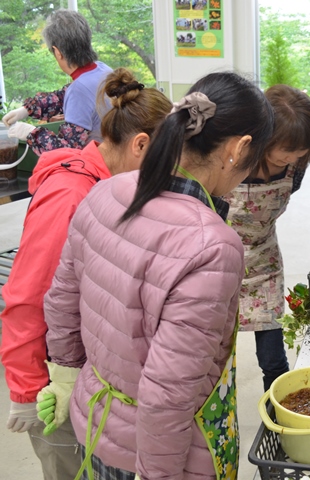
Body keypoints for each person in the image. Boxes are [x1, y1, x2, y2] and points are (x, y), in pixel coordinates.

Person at [40, 71, 274, 480]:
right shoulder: (212, 247)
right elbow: (168, 393)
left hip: (94, 422)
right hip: (158, 457)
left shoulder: (108, 189)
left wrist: (64, 375)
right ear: (239, 149)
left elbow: (61, 302)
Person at [0, 68, 171, 480]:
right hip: (51, 383)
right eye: (168, 162)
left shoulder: (111, 188)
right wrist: (27, 389)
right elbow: (27, 297)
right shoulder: (71, 196)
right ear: (140, 145)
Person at [223, 84, 310, 391]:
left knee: (274, 360)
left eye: (301, 151)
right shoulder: (230, 160)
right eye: (287, 151)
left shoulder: (296, 167)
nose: (295, 158)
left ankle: (280, 424)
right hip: (219, 262)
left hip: (264, 262)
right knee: (216, 357)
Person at [1, 9, 113, 156]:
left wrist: (31, 133)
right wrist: (27, 109)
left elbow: (66, 153)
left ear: (57, 52)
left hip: (100, 167)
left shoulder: (79, 90)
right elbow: (63, 96)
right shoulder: (103, 69)